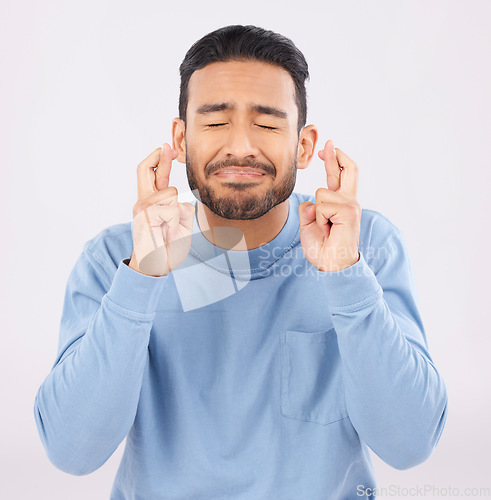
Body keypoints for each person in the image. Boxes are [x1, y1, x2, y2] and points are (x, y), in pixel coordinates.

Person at [33, 24, 448, 499]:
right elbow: (72, 451)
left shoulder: (365, 245)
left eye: (268, 124)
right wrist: (141, 278)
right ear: (181, 138)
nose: (241, 147)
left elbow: (410, 444)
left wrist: (346, 276)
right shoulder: (115, 260)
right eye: (214, 123)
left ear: (305, 144)